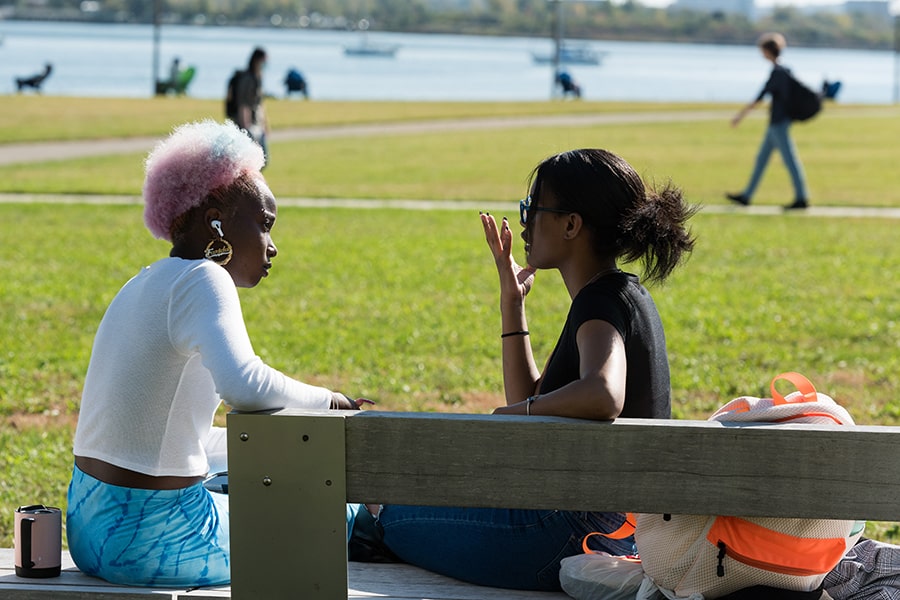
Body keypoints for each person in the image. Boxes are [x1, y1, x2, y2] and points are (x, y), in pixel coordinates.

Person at [350, 148, 697, 591]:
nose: (526, 223)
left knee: (391, 517)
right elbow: (530, 395)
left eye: (533, 209)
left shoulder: (601, 300)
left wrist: (516, 414)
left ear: (572, 225)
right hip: (608, 533)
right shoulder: (618, 295)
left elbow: (603, 393)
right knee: (397, 508)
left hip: (571, 535)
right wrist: (512, 304)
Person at [66, 120, 364, 588]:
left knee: (250, 489)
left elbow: (177, 438)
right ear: (215, 220)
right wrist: (330, 402)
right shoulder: (204, 278)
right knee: (333, 514)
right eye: (265, 224)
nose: (273, 246)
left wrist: (285, 452)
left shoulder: (142, 282)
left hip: (87, 529)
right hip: (152, 539)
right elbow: (244, 384)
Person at [726, 32, 810, 210]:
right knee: (761, 160)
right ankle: (747, 195)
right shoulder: (785, 71)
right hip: (776, 123)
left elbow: (760, 97)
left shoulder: (778, 73)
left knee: (790, 160)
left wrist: (740, 116)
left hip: (779, 123)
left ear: (768, 51)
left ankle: (801, 198)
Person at [231, 47, 269, 164]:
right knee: (251, 161)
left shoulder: (258, 77)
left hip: (257, 124)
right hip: (249, 125)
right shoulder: (248, 79)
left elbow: (259, 103)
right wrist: (245, 127)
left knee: (263, 160)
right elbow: (243, 104)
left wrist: (265, 124)